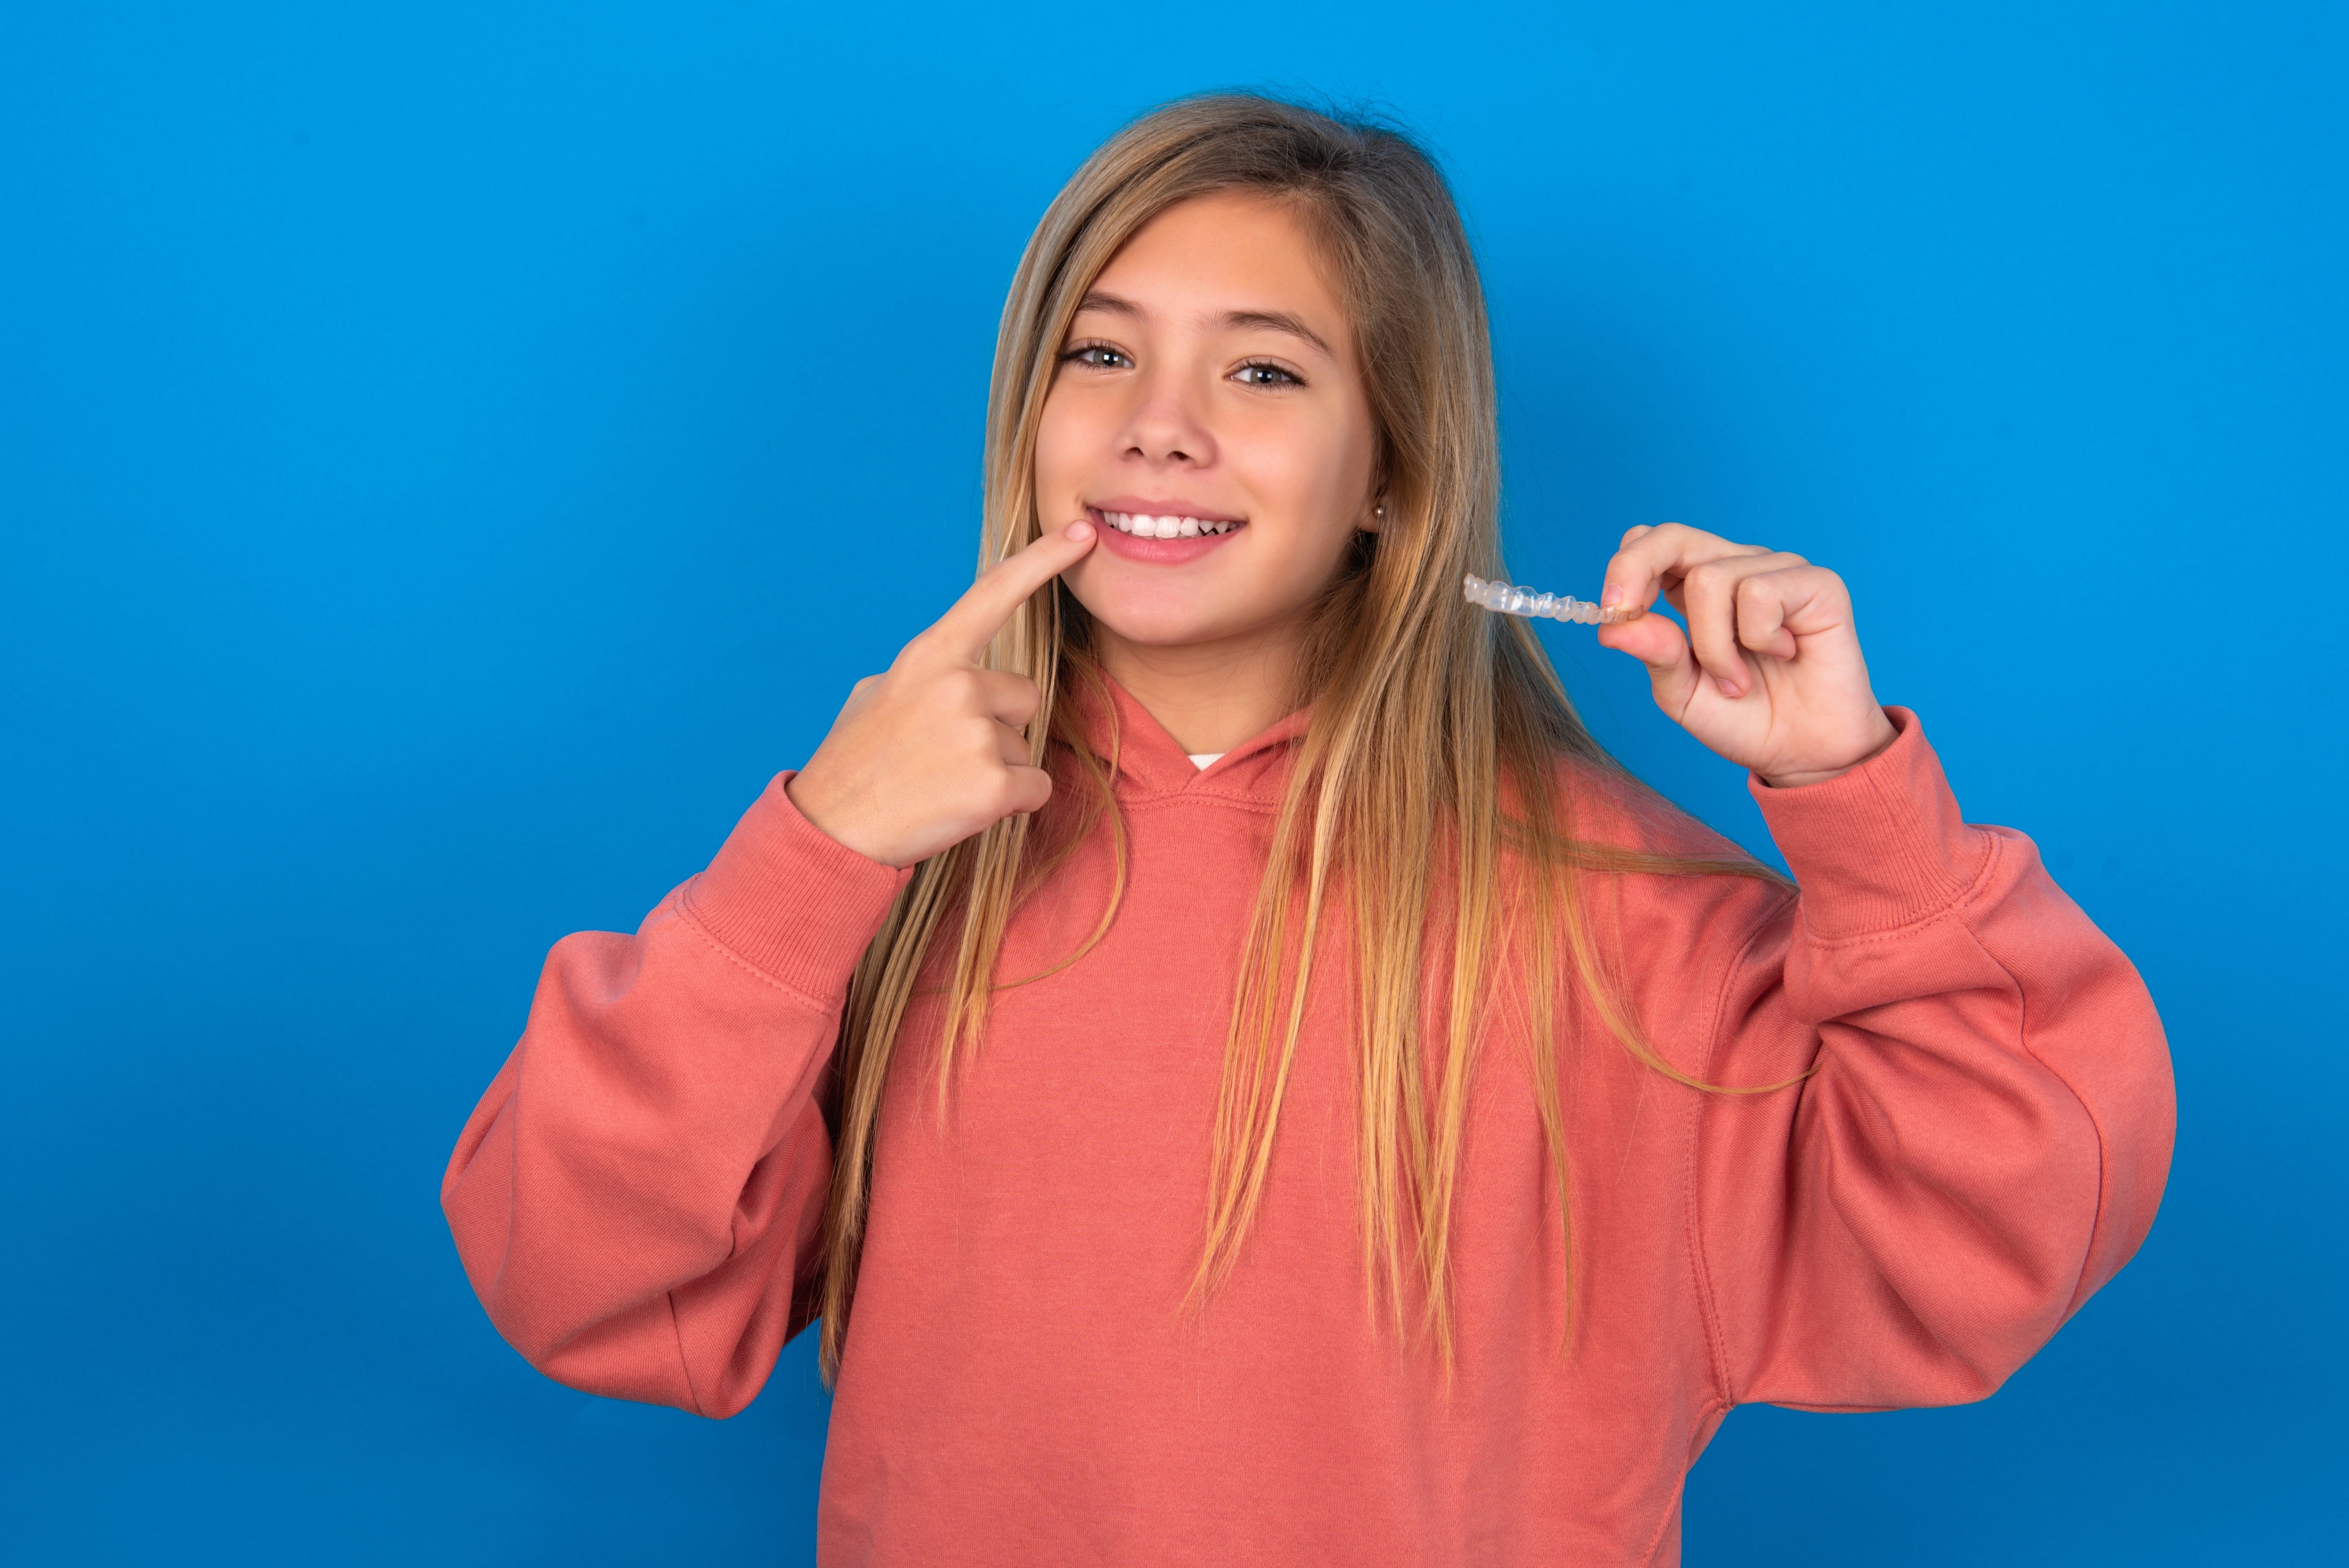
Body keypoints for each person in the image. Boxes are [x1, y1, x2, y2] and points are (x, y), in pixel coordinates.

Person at [440, 93, 2174, 1565]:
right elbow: (579, 1277)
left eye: (1263, 371)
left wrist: (1857, 792)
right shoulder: (883, 866)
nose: (1158, 426)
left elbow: (1997, 1231)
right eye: (1099, 352)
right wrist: (815, 853)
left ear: (1394, 473)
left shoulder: (1626, 912)